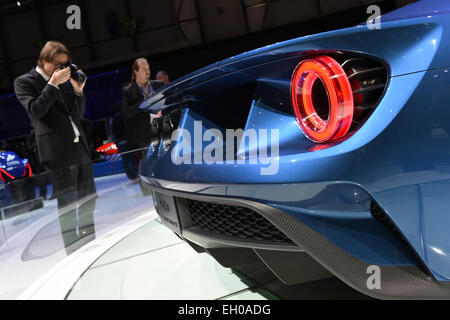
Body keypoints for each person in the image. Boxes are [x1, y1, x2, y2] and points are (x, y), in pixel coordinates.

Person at [14, 41, 96, 253]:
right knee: (67, 203)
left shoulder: (64, 80)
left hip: (80, 146)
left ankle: (89, 240)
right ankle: (72, 247)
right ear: (44, 60)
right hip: (57, 151)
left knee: (89, 197)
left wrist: (78, 92)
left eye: (65, 64)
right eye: (58, 64)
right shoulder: (25, 82)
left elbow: (76, 114)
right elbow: (36, 110)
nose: (62, 68)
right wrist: (52, 84)